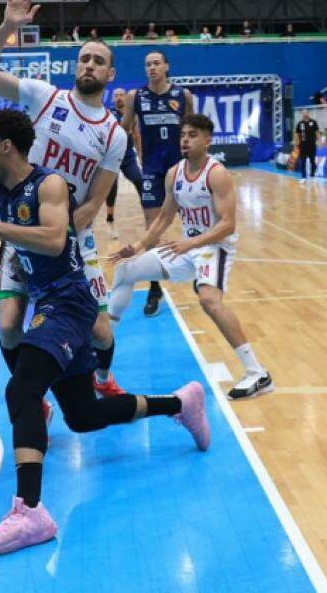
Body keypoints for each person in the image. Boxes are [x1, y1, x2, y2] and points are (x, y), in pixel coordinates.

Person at [0, 110, 209, 557]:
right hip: (50, 302)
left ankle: (29, 511)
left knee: (23, 390)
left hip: (68, 301)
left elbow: (53, 241)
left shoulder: (49, 184)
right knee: (83, 416)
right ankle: (182, 403)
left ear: (6, 145)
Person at [0, 0, 127, 399]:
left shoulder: (113, 134)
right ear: (76, 66)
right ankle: (33, 399)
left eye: (98, 61)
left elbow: (95, 199)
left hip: (71, 236)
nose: (89, 65)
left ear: (110, 74)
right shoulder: (45, 97)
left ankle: (102, 378)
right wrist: (6, 27)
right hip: (21, 227)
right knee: (8, 326)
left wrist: (58, 237)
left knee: (101, 331)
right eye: (84, 59)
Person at [109, 114, 273, 399]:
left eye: (193, 134)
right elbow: (163, 218)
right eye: (183, 134)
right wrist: (137, 246)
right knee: (126, 271)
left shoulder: (216, 173)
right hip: (187, 247)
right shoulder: (175, 173)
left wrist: (190, 243)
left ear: (207, 140)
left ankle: (257, 373)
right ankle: (100, 353)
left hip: (214, 247)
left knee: (209, 300)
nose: (185, 139)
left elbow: (227, 225)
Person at [120, 51, 195, 318]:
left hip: (181, 169)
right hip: (152, 170)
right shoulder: (136, 97)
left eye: (156, 63)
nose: (152, 68)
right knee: (152, 229)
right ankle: (154, 287)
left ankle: (201, 270)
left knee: (196, 223)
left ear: (166, 66)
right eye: (147, 64)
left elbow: (192, 131)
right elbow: (123, 130)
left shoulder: (183, 96)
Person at [105, 87, 145, 239]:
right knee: (112, 188)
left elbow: (136, 136)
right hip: (111, 156)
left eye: (122, 95)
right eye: (116, 95)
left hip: (128, 155)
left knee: (140, 181)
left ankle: (148, 215)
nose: (119, 98)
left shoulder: (131, 115)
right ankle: (110, 220)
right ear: (113, 98)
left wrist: (140, 154)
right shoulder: (107, 114)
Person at [294, 111, 320, 183]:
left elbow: (317, 132)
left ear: (308, 114)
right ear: (302, 115)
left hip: (312, 145)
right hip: (302, 145)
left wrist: (319, 142)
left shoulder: (314, 122)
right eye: (303, 113)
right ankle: (303, 177)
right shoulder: (300, 123)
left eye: (306, 113)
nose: (305, 115)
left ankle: (312, 175)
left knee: (312, 161)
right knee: (303, 161)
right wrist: (296, 143)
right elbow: (296, 134)